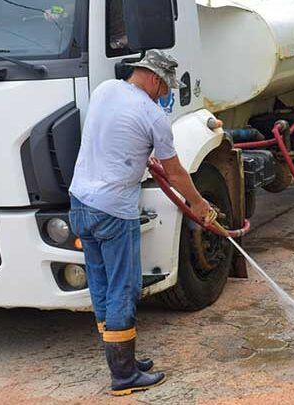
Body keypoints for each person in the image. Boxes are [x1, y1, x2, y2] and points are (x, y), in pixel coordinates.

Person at [68, 50, 217, 396]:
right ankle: (123, 376)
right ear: (152, 78)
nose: (165, 94)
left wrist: (139, 153)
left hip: (79, 202)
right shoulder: (153, 116)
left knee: (102, 285)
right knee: (124, 287)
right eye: (164, 87)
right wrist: (198, 203)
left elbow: (112, 135)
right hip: (113, 210)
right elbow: (177, 172)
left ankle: (123, 360)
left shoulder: (105, 90)